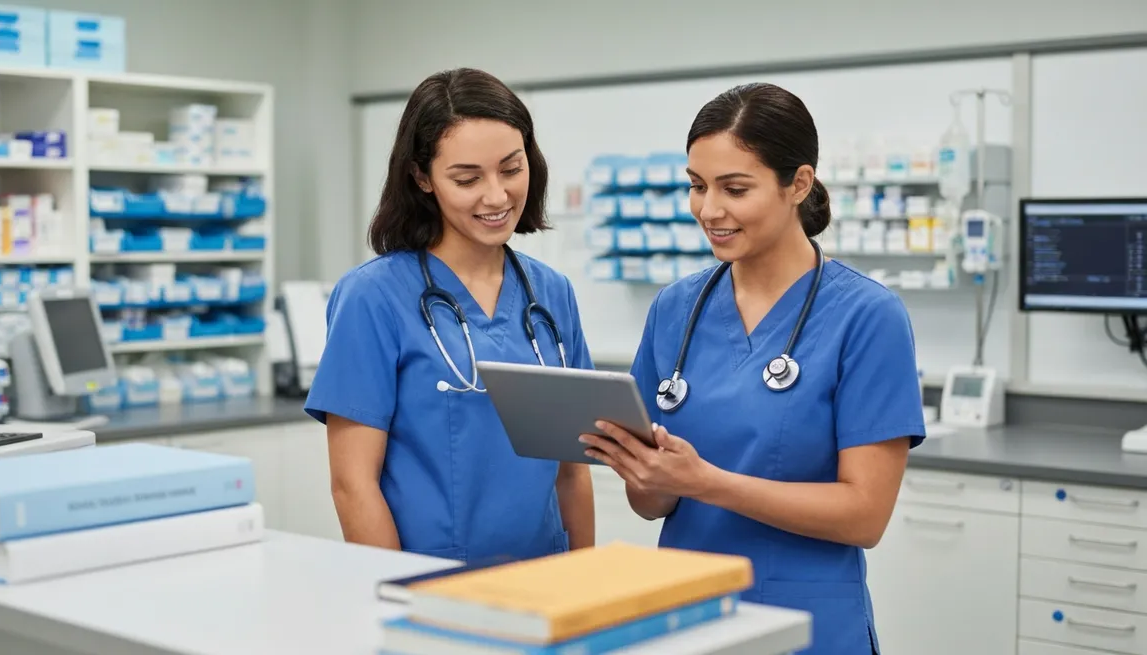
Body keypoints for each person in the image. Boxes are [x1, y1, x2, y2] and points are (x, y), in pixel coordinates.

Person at [579, 82, 925, 655]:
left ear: (799, 184)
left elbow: (864, 516)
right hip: (686, 614)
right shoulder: (675, 309)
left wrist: (705, 482)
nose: (710, 210)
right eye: (697, 186)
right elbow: (651, 504)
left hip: (806, 621)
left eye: (735, 188)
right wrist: (647, 476)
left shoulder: (866, 316)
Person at [306, 68, 595, 565]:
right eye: (467, 178)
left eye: (511, 169)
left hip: (546, 579)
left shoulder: (551, 294)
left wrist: (585, 582)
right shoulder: (373, 298)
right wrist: (397, 597)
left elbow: (572, 469)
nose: (497, 196)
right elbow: (353, 485)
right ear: (422, 178)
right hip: (431, 582)